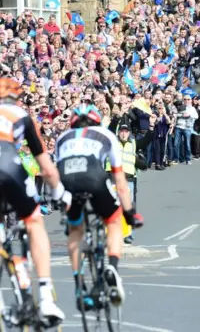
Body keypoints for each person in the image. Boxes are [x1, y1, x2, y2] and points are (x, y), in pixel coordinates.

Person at [0, 78, 66, 325]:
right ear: (15, 99)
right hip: (7, 168)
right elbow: (45, 167)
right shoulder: (19, 113)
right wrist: (60, 192)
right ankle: (46, 296)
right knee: (34, 221)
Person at [55, 104, 143, 308]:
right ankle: (111, 267)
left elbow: (54, 173)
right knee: (113, 221)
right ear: (97, 121)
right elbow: (120, 181)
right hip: (94, 178)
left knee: (75, 229)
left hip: (67, 181)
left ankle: (79, 286)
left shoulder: (63, 138)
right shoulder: (106, 134)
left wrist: (60, 203)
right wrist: (129, 213)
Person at [107, 115, 154, 244]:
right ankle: (112, 234)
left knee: (128, 208)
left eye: (126, 131)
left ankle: (128, 235)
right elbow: (109, 131)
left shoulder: (133, 143)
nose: (123, 133)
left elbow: (147, 140)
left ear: (129, 133)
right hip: (113, 179)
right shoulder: (112, 141)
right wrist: (116, 119)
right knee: (111, 208)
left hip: (128, 180)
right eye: (121, 131)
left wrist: (151, 126)